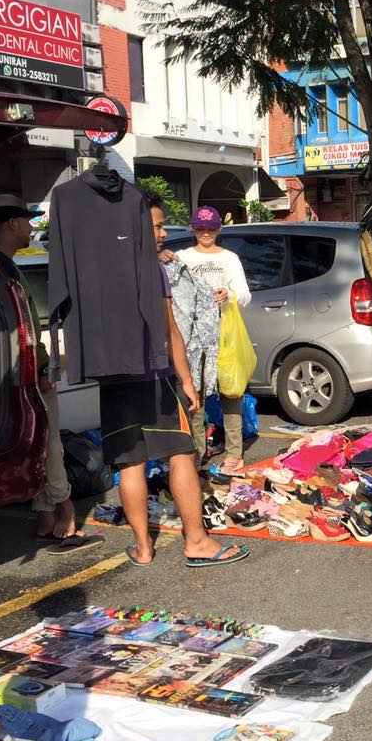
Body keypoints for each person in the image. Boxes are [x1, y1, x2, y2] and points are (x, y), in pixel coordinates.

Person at [105, 193, 249, 567]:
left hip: (115, 377)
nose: (164, 234)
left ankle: (143, 548)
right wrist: (186, 379)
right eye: (156, 226)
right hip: (156, 374)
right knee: (181, 453)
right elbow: (171, 331)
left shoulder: (102, 267)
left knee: (130, 462)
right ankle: (197, 541)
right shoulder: (153, 270)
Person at [0, 193, 105, 554]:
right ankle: (64, 514)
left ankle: (45, 518)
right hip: (26, 374)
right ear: (11, 224)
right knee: (49, 443)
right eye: (27, 220)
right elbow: (22, 332)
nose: (32, 227)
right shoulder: (0, 270)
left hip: (20, 373)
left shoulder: (0, 266)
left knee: (41, 443)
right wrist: (40, 366)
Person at [176, 206, 251, 473]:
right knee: (194, 394)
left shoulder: (229, 258)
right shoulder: (182, 257)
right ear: (192, 229)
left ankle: (234, 452)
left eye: (210, 228)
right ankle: (197, 452)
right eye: (200, 228)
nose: (205, 233)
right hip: (192, 337)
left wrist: (228, 294)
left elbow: (245, 294)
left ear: (219, 229)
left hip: (223, 333)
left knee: (230, 392)